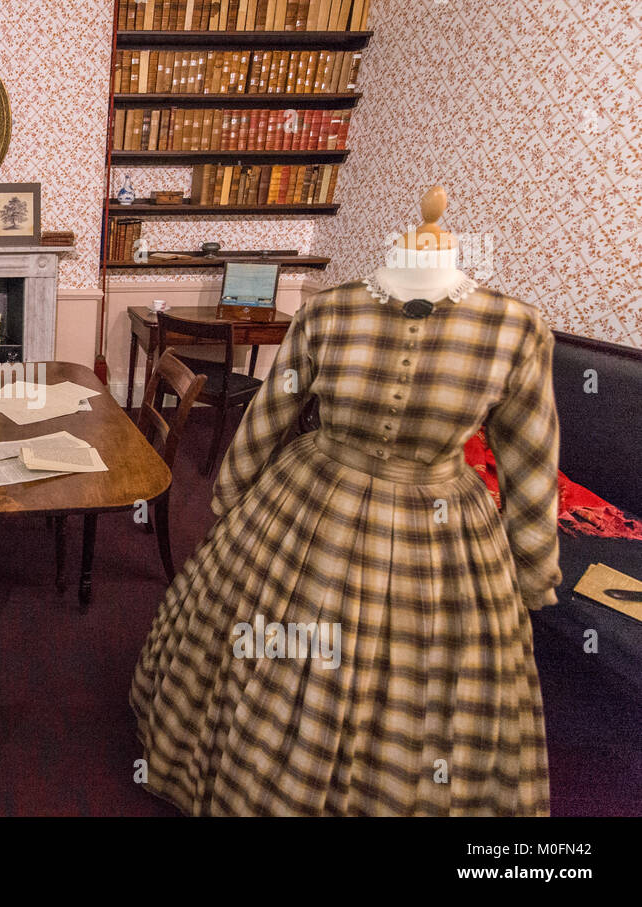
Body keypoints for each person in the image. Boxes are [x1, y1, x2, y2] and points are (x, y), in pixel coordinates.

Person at [131, 188, 560, 816]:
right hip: (319, 499)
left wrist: (531, 570)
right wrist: (233, 493)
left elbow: (529, 459)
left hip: (413, 526)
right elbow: (272, 409)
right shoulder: (331, 311)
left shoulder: (517, 330)